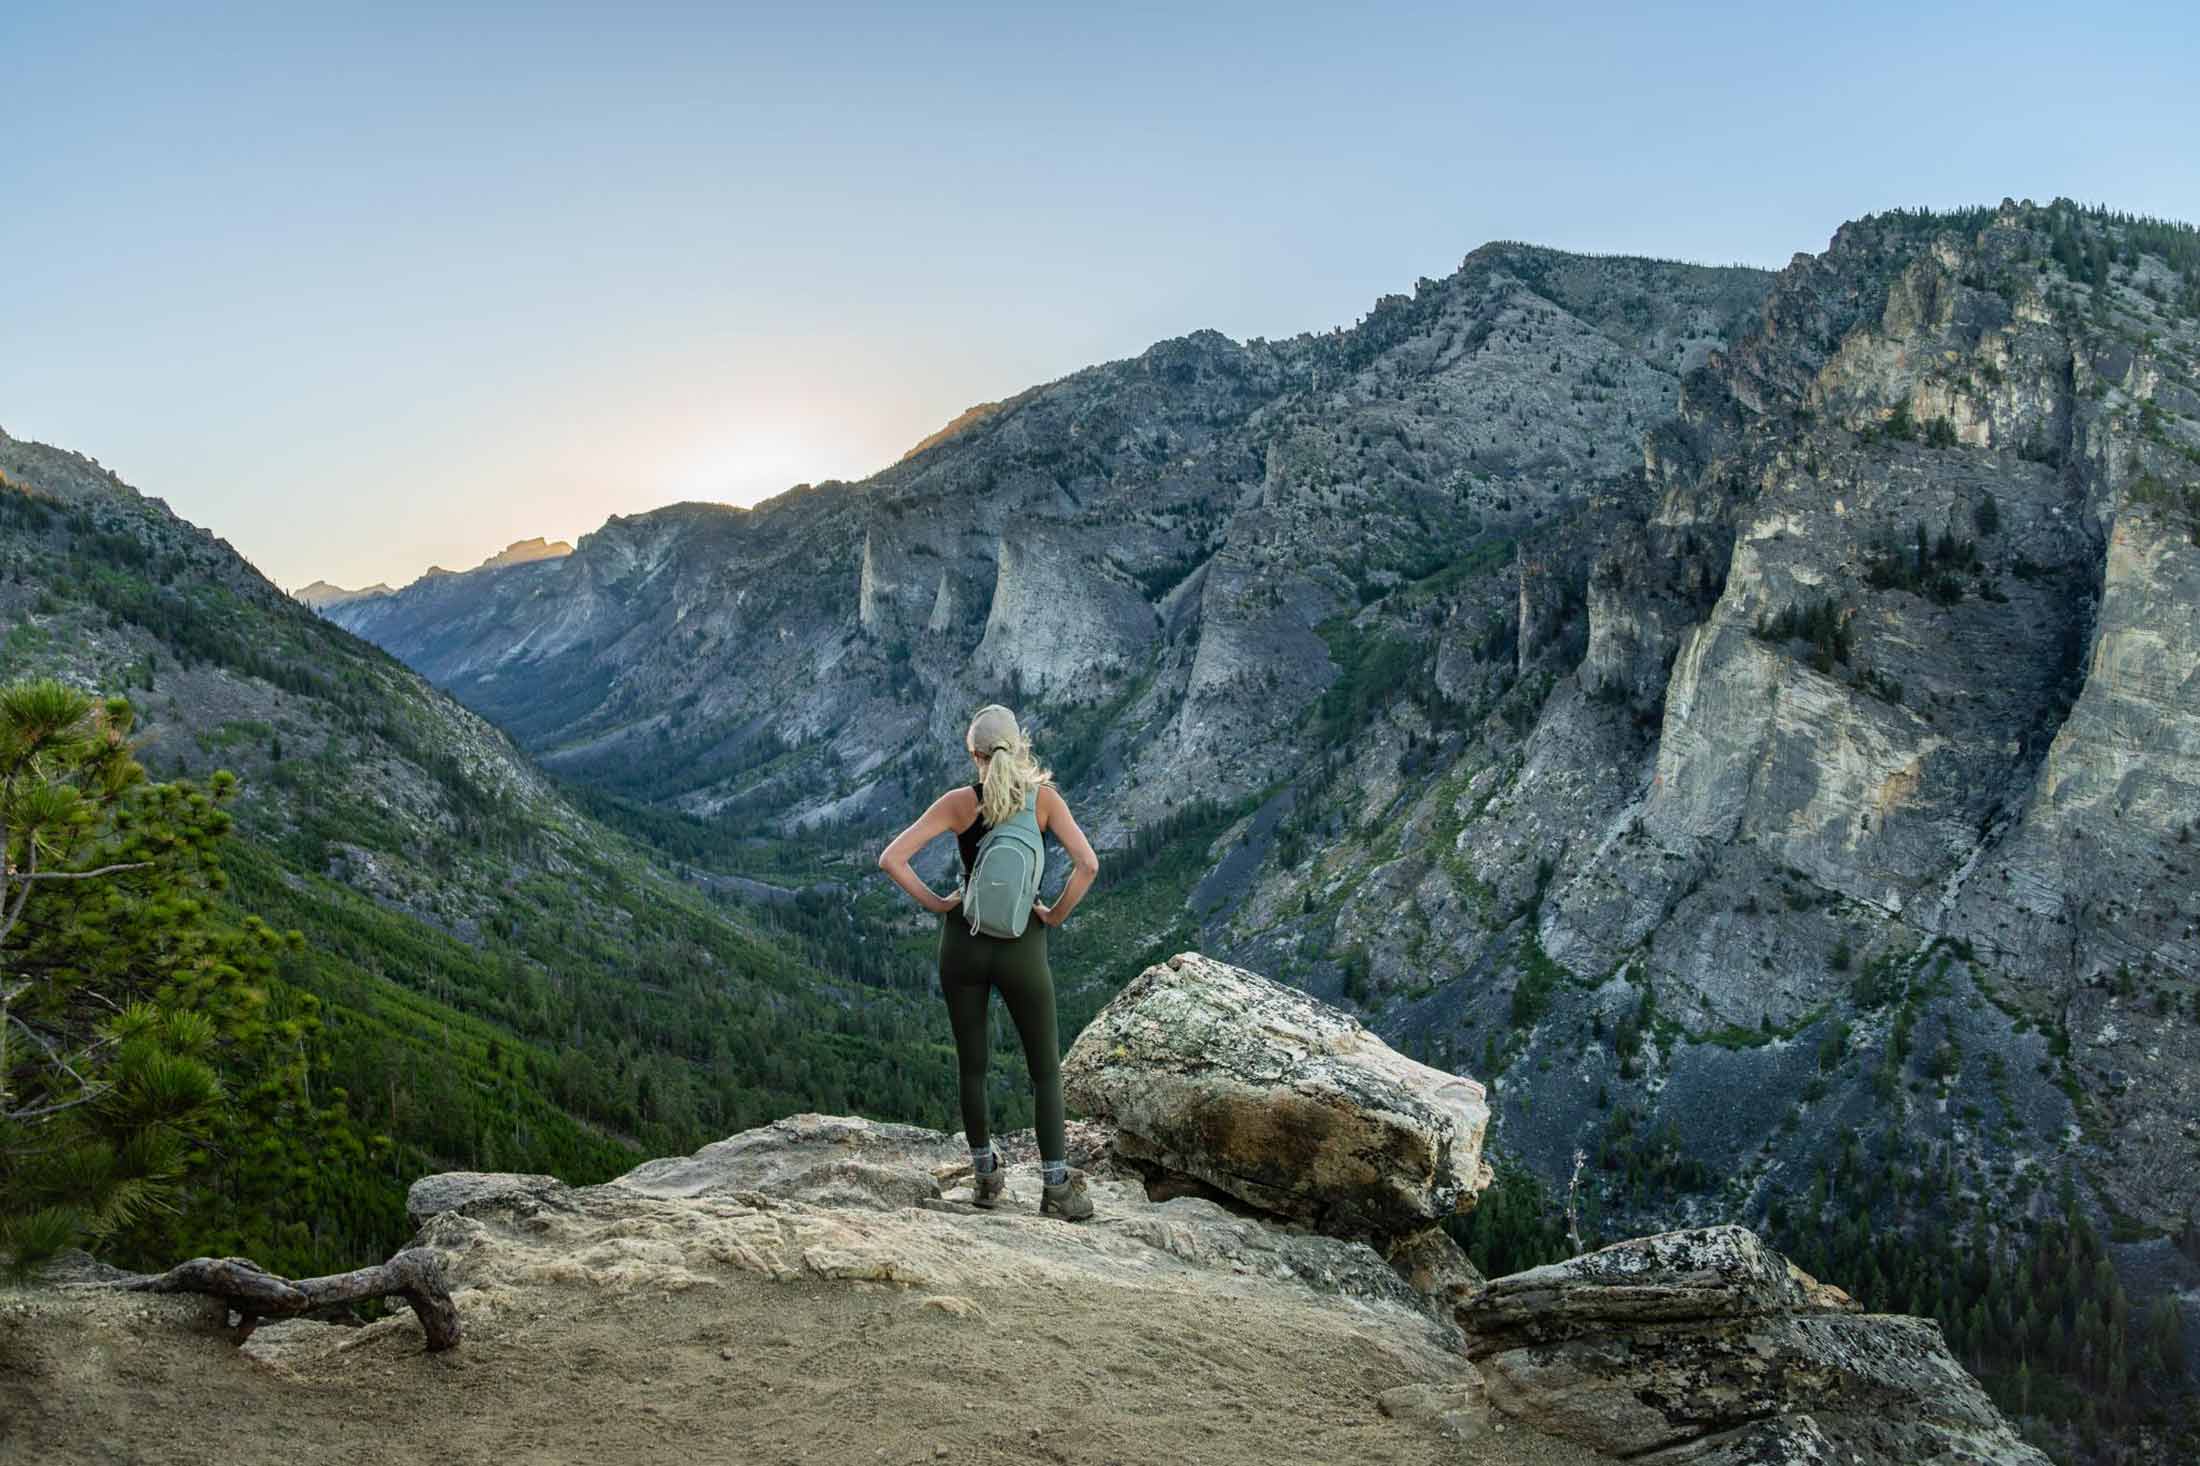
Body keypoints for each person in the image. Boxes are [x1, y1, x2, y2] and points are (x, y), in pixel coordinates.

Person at [876, 704, 1101, 1220]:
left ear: (974, 755)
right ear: (1018, 747)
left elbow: (892, 858)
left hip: (965, 941)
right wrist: (1053, 916)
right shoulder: (1045, 801)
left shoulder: (960, 803)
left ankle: (985, 1177)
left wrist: (938, 904)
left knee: (972, 1066)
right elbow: (1087, 865)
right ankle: (1057, 1189)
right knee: (1045, 1071)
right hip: (1022, 943)